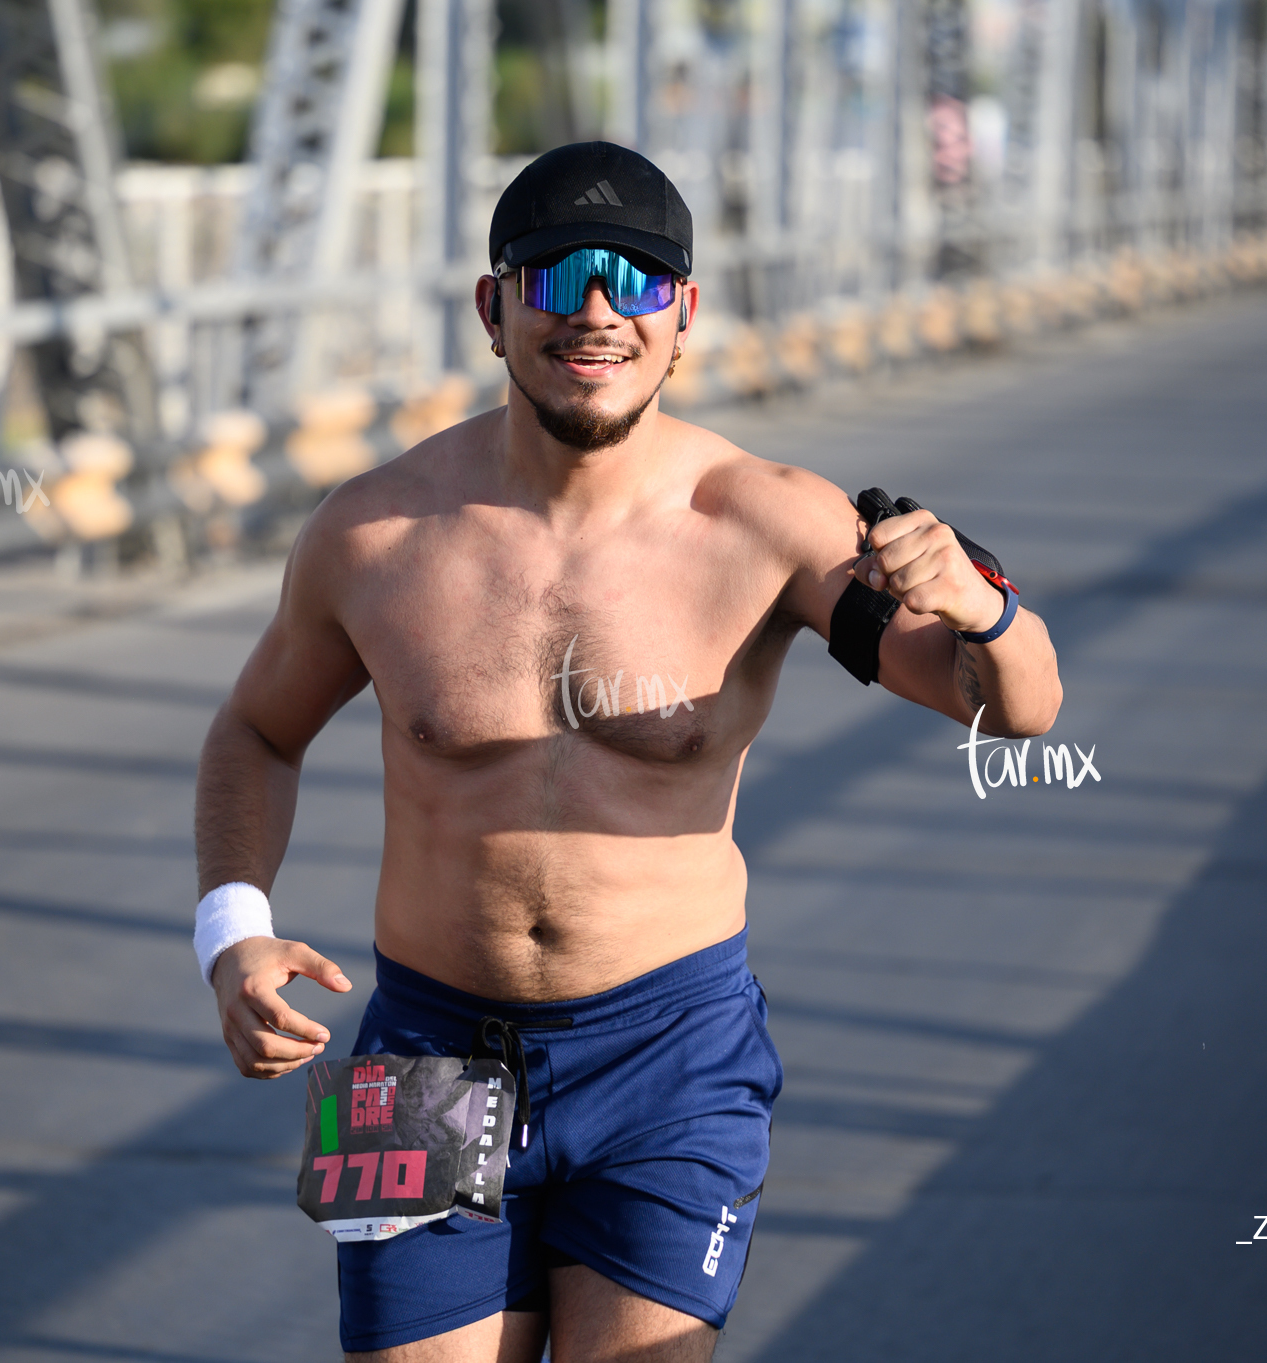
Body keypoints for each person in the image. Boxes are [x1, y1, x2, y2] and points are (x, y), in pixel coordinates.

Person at [192, 141, 1062, 1361]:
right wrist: (230, 930)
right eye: (558, 277)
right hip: (425, 1049)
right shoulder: (374, 532)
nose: (596, 312)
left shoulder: (764, 521)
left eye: (637, 280)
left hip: (670, 1054)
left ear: (684, 314)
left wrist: (986, 611)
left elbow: (1011, 707)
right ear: (493, 309)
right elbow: (256, 727)